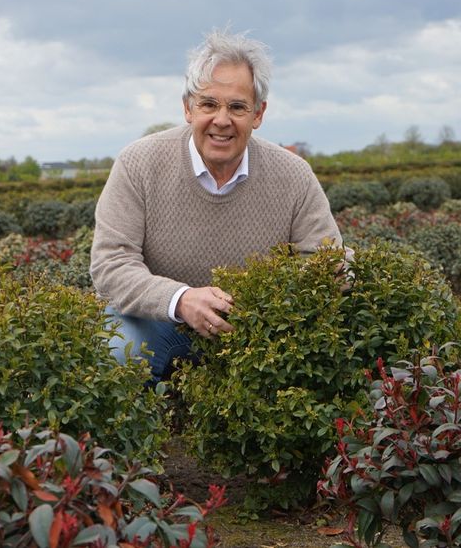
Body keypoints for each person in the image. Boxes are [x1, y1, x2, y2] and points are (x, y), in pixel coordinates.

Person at [90, 28, 343, 382]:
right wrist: (181, 300)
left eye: (237, 107)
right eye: (209, 104)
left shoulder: (294, 175)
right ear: (188, 108)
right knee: (117, 351)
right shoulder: (138, 163)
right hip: (159, 322)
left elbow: (324, 260)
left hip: (256, 331)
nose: (221, 120)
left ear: (258, 114)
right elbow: (110, 264)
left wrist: (259, 307)